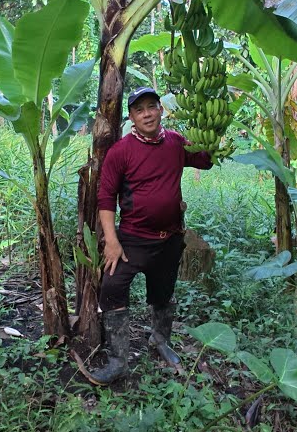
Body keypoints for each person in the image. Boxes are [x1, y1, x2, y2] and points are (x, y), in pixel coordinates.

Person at [89, 86, 213, 384]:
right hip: (132, 240)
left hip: (169, 239)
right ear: (131, 116)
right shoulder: (121, 151)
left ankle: (160, 341)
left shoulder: (175, 143)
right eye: (139, 109)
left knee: (163, 294)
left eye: (151, 106)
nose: (147, 113)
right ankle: (119, 359)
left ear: (161, 110)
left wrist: (211, 132)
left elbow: (206, 161)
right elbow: (105, 199)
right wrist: (112, 242)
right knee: (112, 288)